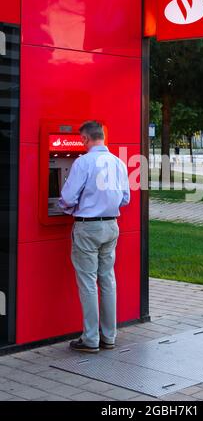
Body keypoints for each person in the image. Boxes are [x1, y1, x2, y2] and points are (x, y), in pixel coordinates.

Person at [59, 121, 130, 353]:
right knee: (108, 280)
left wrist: (68, 208)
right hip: (111, 226)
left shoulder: (83, 162)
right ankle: (109, 336)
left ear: (86, 139)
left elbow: (67, 197)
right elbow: (125, 199)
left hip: (87, 228)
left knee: (88, 282)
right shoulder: (118, 162)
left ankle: (90, 339)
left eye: (82, 140)